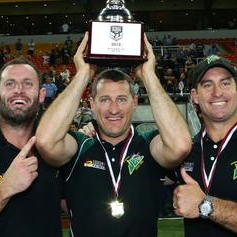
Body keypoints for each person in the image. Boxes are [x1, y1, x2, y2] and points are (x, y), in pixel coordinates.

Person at [36, 32, 191, 237]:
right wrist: (83, 74)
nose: (114, 109)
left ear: (134, 103)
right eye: (104, 100)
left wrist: (148, 75)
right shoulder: (80, 145)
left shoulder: (148, 143)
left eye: (121, 99)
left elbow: (180, 145)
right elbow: (45, 142)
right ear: (91, 104)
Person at [173, 55, 237, 237]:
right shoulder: (185, 150)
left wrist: (205, 205)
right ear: (194, 96)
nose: (217, 92)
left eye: (225, 83)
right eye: (207, 85)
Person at [0, 57, 62, 237]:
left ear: (41, 95)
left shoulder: (58, 150)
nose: (19, 90)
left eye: (27, 84)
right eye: (10, 84)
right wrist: (5, 188)